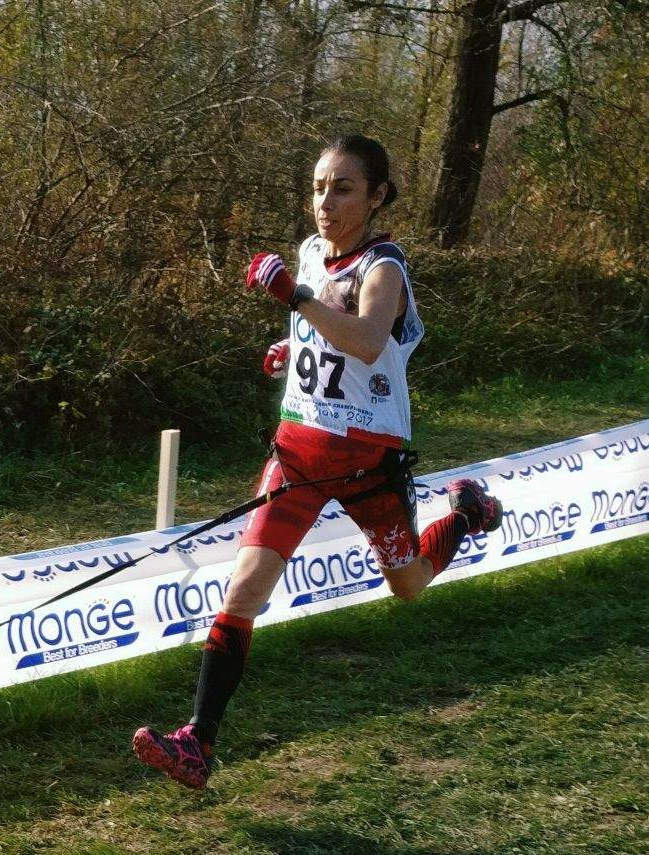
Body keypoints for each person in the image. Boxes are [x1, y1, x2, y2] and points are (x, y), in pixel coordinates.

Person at [130, 134, 503, 790]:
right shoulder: (308, 252)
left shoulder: (383, 267)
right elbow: (322, 330)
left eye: (342, 188)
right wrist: (293, 344)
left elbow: (362, 340)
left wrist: (294, 304)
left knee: (408, 583)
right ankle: (198, 742)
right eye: (317, 187)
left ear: (377, 195)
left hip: (366, 461)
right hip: (298, 450)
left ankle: (467, 515)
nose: (324, 202)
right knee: (243, 589)